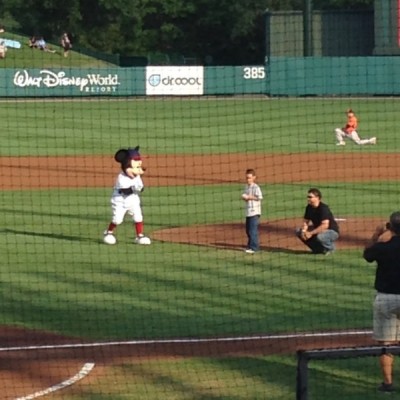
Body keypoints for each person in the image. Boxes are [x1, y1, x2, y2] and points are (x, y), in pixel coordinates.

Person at [363, 211, 400, 393]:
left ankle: (387, 384)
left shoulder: (382, 247)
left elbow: (367, 255)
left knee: (386, 345)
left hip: (386, 298)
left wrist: (376, 235)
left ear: (390, 227)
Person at [103, 147, 151, 245]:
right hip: (119, 200)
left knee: (138, 217)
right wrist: (136, 188)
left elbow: (141, 188)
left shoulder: (137, 176)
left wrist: (139, 188)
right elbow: (125, 191)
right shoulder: (121, 177)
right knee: (117, 220)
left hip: (133, 199)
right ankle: (109, 232)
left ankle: (139, 236)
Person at [296, 188, 339, 255]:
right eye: (308, 197)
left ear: (317, 197)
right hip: (319, 230)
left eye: (310, 197)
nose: (308, 199)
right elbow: (306, 222)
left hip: (331, 231)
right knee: (298, 231)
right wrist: (304, 231)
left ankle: (331, 248)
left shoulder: (323, 208)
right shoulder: (309, 207)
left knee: (320, 237)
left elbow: (325, 225)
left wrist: (310, 233)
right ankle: (318, 249)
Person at [241, 169, 263, 254]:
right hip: (248, 211)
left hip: (254, 212)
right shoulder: (246, 187)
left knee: (252, 230)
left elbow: (259, 197)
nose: (248, 179)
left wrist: (249, 197)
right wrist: (245, 198)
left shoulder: (256, 187)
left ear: (254, 178)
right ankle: (250, 246)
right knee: (248, 230)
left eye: (249, 178)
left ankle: (254, 248)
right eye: (247, 178)